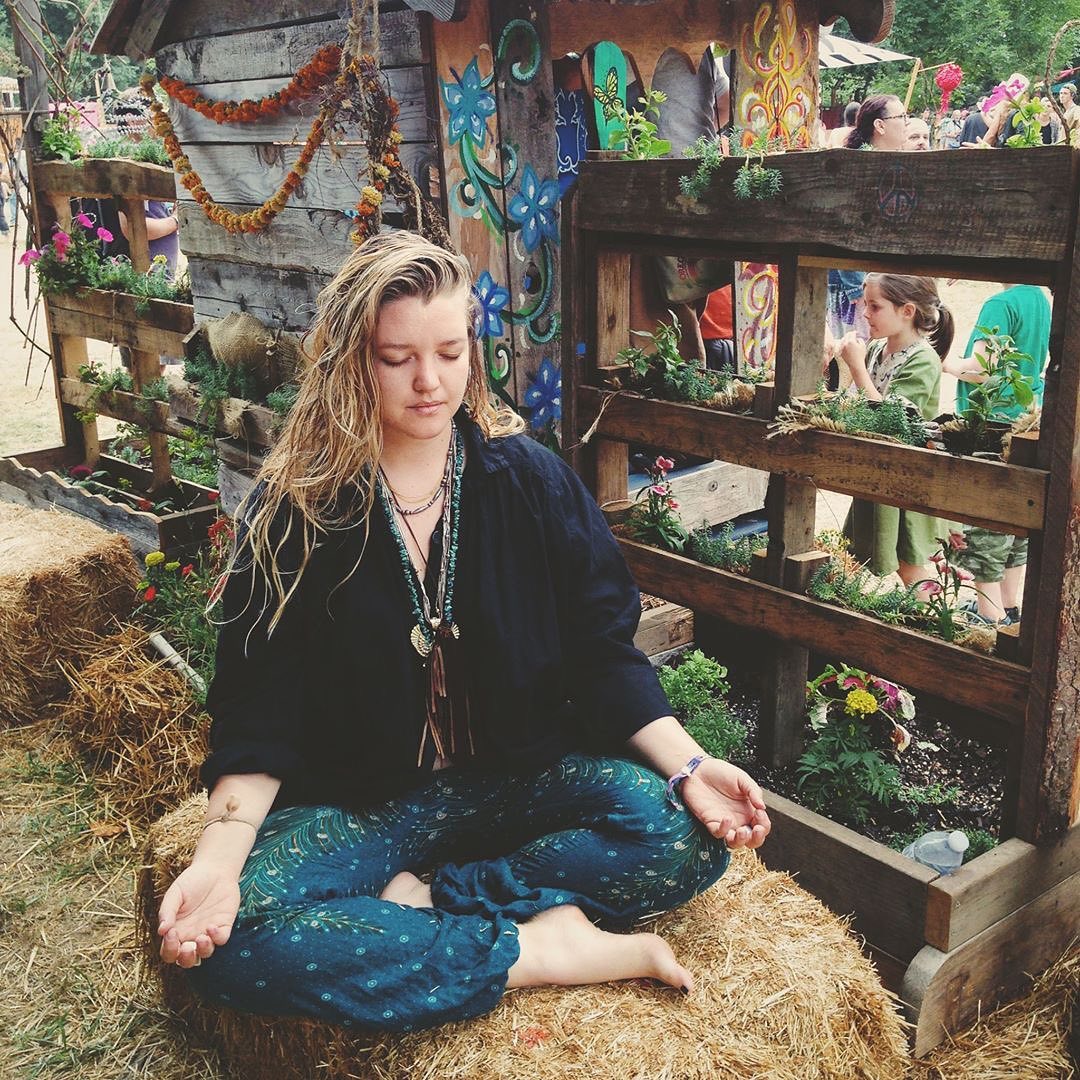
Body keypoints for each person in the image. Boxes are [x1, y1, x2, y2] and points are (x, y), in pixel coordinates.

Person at [155, 231, 771, 1032]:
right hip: (365, 805)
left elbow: (600, 650)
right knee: (238, 942)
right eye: (396, 357)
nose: (428, 382)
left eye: (450, 352)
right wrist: (217, 863)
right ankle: (531, 950)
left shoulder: (531, 481)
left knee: (680, 839)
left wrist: (689, 765)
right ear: (352, 361)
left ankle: (432, 899)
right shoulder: (298, 512)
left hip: (514, 782)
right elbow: (257, 712)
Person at [943, 284, 1051, 624]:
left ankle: (988, 617)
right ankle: (1008, 607)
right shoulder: (1039, 297)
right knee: (1014, 521)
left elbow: (982, 368)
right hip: (1025, 419)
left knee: (986, 520)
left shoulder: (1000, 303)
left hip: (992, 423)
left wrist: (946, 364)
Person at [837, 275, 955, 585]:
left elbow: (893, 419)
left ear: (907, 311)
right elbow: (858, 404)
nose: (865, 313)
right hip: (877, 472)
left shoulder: (923, 359)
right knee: (852, 553)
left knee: (910, 567)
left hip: (905, 479)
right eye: (866, 305)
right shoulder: (877, 350)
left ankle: (928, 625)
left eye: (875, 306)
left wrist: (857, 369)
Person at [843, 95, 908, 151]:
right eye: (901, 116)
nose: (908, 122)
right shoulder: (856, 162)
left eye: (906, 116)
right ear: (880, 126)